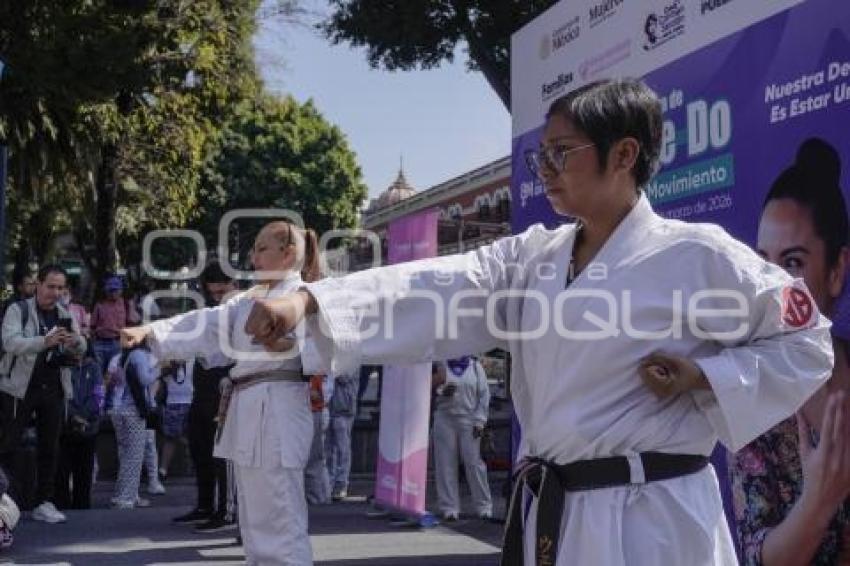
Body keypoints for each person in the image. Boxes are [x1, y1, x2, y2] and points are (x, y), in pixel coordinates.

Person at [243, 78, 835, 566]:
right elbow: (438, 283)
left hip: (652, 522)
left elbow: (807, 343)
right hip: (557, 516)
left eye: (562, 152)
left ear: (624, 154)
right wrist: (311, 303)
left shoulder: (696, 254)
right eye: (540, 156)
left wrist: (705, 376)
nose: (545, 169)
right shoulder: (532, 258)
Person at [121, 222, 322, 564]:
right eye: (254, 249)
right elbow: (207, 323)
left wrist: (288, 344)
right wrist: (151, 331)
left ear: (288, 254)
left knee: (280, 507)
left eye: (262, 248)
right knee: (253, 511)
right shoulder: (248, 300)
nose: (253, 257)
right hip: (248, 403)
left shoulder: (306, 296)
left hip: (279, 402)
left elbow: (325, 347)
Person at [731, 137, 850, 565]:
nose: (772, 285)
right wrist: (819, 501)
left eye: (793, 263)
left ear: (836, 270)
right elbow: (757, 556)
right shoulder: (752, 398)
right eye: (764, 264)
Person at [0, 264, 86, 524]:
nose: (55, 293)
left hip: (54, 385)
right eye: (51, 286)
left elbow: (82, 344)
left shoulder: (64, 314)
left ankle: (44, 502)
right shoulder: (19, 310)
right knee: (8, 446)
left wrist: (75, 342)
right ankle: (5, 501)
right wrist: (44, 342)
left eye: (60, 288)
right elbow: (10, 342)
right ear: (38, 284)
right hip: (18, 388)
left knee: (50, 447)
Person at [173, 260, 237, 533]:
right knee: (200, 446)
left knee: (221, 452)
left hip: (225, 380)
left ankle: (226, 510)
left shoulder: (241, 310)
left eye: (222, 292)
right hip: (202, 383)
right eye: (212, 293)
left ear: (234, 285)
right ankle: (205, 504)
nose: (217, 297)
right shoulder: (208, 313)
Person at [432, 356, 492, 521]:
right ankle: (449, 507)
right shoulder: (440, 364)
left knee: (474, 463)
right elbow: (427, 390)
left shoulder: (475, 367)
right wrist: (441, 392)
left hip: (470, 419)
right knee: (445, 463)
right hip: (444, 417)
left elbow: (484, 395)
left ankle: (484, 506)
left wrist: (480, 421)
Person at [107, 346, 159, 508]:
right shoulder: (140, 355)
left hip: (117, 408)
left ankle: (122, 495)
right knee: (134, 456)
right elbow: (145, 379)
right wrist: (160, 369)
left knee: (125, 454)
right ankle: (126, 498)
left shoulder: (119, 357)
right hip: (132, 410)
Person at [54, 349, 103, 509]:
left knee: (84, 472)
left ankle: (82, 504)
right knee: (62, 470)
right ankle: (61, 504)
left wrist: (84, 415)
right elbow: (60, 395)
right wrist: (73, 416)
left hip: (88, 426)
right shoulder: (61, 367)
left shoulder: (94, 367)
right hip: (65, 427)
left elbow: (98, 395)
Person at [158, 361, 192, 483]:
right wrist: (172, 366)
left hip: (191, 400)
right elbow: (159, 374)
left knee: (194, 436)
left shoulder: (195, 356)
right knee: (170, 437)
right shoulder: (168, 358)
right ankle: (163, 470)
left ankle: (193, 467)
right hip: (173, 401)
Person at [326, 371, 358, 501]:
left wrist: (329, 366)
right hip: (329, 407)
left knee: (342, 449)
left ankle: (341, 484)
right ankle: (329, 483)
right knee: (329, 449)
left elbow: (344, 377)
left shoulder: (351, 361)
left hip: (343, 409)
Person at [91, 276, 127, 376]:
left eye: (116, 290)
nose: (113, 293)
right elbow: (92, 325)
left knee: (114, 375)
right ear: (106, 291)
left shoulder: (125, 304)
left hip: (117, 343)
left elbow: (133, 321)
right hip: (99, 343)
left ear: (121, 291)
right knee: (98, 374)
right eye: (110, 290)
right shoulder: (99, 304)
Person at [304, 374, 331, 505]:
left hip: (314, 412)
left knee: (313, 460)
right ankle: (322, 496)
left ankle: (317, 498)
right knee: (316, 461)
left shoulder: (314, 370)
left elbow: (318, 395)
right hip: (312, 411)